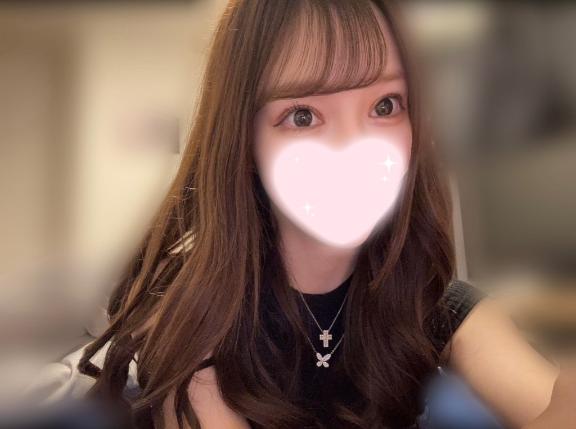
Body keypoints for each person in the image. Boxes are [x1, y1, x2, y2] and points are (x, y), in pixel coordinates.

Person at [77, 1, 570, 428]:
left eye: (386, 106)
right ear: (245, 141)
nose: (354, 150)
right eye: (303, 116)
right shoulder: (195, 314)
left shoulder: (434, 303)